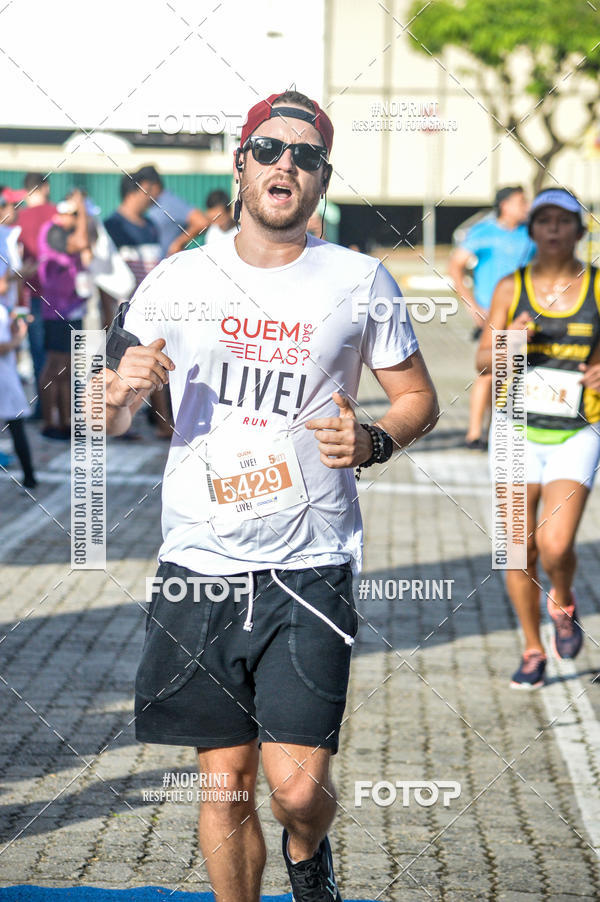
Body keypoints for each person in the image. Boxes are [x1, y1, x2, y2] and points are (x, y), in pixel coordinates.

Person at [96, 89, 438, 902]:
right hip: (198, 563)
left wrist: (375, 440)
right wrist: (118, 389)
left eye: (306, 156)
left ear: (321, 180)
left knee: (293, 790)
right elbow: (100, 412)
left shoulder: (362, 280)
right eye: (270, 150)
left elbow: (419, 396)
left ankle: (307, 849)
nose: (287, 164)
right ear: (242, 163)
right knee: (224, 786)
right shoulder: (177, 277)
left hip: (310, 566)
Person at [477, 187, 600, 689]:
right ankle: (532, 648)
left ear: (579, 229)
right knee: (515, 550)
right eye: (543, 220)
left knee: (554, 545)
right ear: (531, 230)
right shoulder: (512, 286)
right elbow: (484, 362)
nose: (552, 229)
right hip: (515, 431)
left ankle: (563, 599)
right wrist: (511, 342)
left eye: (563, 221)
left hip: (577, 430)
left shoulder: (595, 285)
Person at [449, 186, 535, 449]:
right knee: (488, 372)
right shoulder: (484, 232)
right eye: (521, 202)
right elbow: (455, 266)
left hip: (522, 315)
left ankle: (494, 428)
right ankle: (474, 434)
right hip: (491, 314)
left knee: (511, 373)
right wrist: (471, 305)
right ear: (505, 205)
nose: (526, 206)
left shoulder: (530, 234)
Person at [105, 173, 172, 439]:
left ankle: (162, 423)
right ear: (143, 187)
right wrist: (109, 315)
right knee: (122, 371)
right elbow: (105, 275)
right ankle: (122, 424)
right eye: (155, 191)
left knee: (157, 365)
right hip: (123, 311)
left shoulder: (152, 226)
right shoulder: (112, 226)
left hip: (154, 309)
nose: (157, 198)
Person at [37, 191, 91, 439]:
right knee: (54, 367)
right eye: (75, 216)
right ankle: (49, 423)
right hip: (56, 311)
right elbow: (81, 243)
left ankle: (66, 422)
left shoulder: (66, 229)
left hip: (72, 308)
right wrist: (82, 211)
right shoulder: (53, 231)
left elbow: (88, 246)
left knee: (68, 369)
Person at [16, 173, 57, 416]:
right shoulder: (56, 214)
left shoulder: (18, 219)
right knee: (60, 354)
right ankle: (61, 410)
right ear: (46, 187)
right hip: (59, 296)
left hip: (30, 294)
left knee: (38, 352)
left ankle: (43, 408)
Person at [135, 164, 210, 258]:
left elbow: (202, 222)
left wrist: (179, 243)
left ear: (154, 185)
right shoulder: (152, 204)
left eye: (142, 187)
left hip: (170, 267)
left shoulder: (169, 201)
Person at [0, 306, 37, 488]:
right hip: (4, 380)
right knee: (17, 428)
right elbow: (2, 347)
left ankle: (29, 476)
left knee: (17, 428)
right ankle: (29, 477)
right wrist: (20, 336)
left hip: (6, 378)